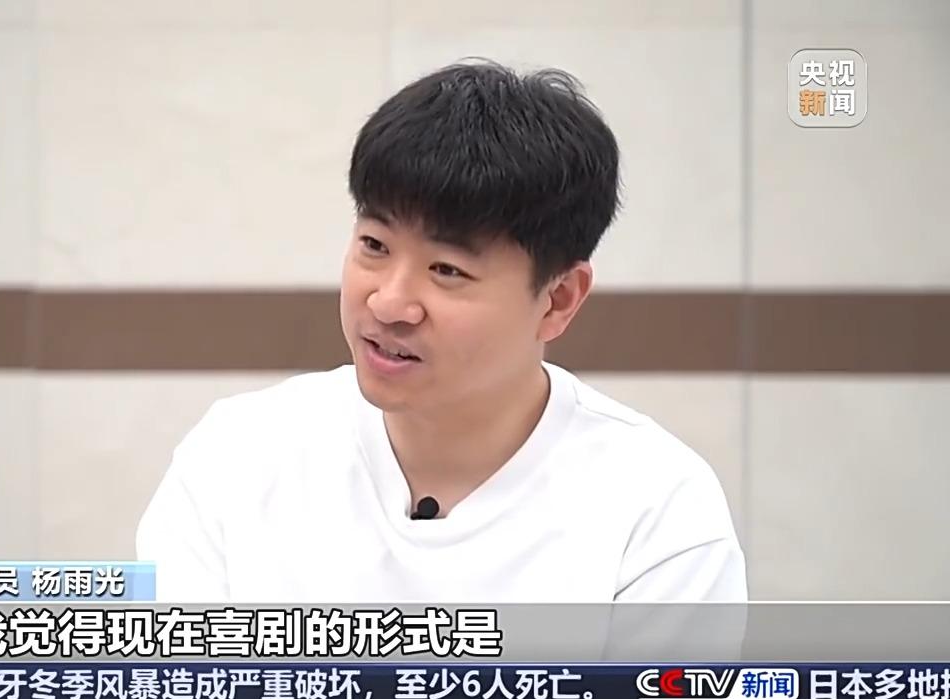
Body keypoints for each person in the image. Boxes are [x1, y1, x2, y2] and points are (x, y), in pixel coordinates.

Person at [137, 60, 747, 603]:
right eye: (374, 245)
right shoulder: (237, 455)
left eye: (447, 270)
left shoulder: (657, 509)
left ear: (558, 299)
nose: (390, 302)